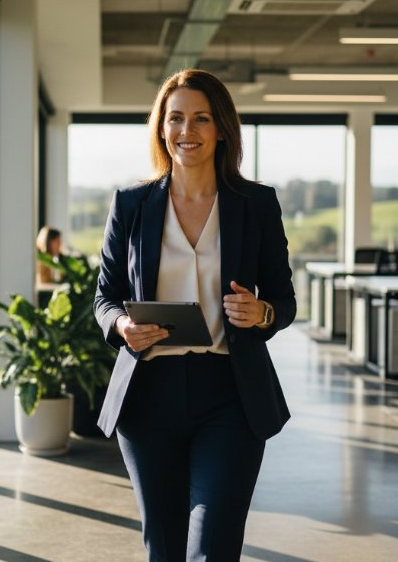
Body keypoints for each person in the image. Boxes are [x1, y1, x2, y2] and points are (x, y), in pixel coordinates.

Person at [93, 69, 295, 561]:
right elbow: (104, 299)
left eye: (202, 118)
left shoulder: (256, 204)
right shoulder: (131, 205)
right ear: (161, 127)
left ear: (222, 128)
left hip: (231, 394)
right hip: (148, 395)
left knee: (214, 545)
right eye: (176, 118)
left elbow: (284, 300)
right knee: (163, 548)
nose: (188, 130)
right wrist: (122, 325)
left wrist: (261, 312)